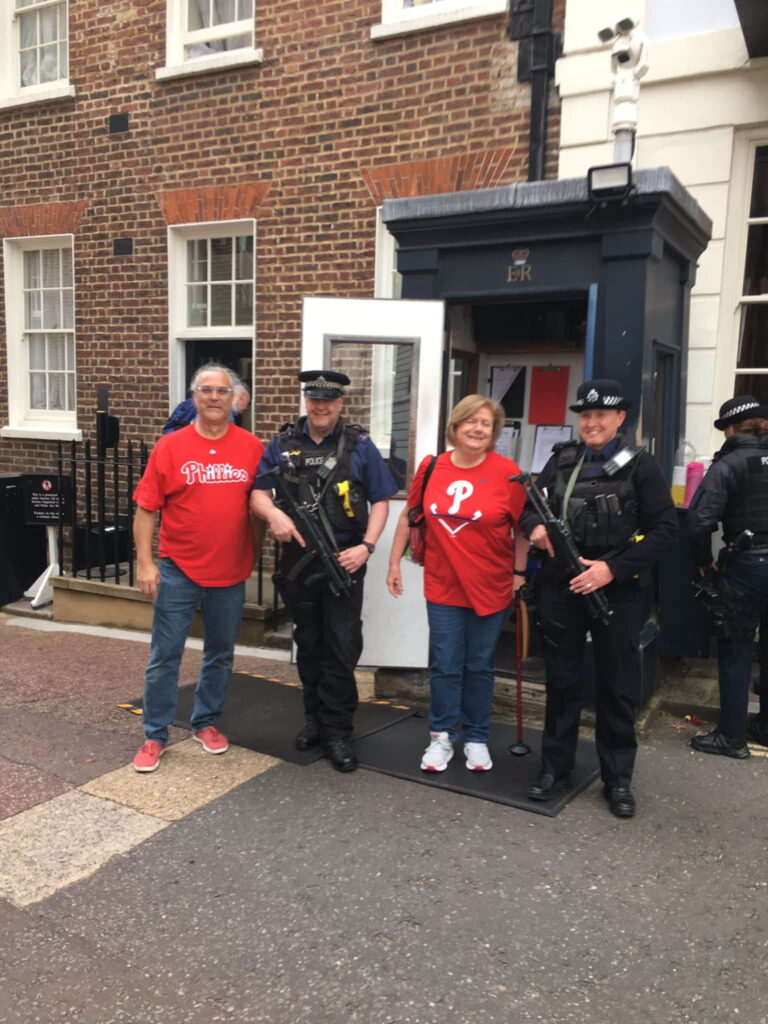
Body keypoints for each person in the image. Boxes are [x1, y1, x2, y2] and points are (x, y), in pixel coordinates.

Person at [520, 379, 677, 817]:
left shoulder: (640, 466)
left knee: (617, 685)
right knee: (562, 680)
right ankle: (555, 769)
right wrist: (534, 526)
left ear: (619, 419)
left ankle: (618, 779)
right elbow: (529, 508)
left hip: (617, 591)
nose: (591, 423)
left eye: (600, 415)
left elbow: (665, 529)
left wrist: (613, 569)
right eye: (585, 415)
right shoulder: (562, 459)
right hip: (562, 586)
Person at [250, 370, 398, 773]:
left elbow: (381, 500)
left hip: (345, 561)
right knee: (309, 642)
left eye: (328, 401)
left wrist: (366, 547)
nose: (320, 407)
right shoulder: (283, 444)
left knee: (342, 645)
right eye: (314, 399)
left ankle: (337, 731)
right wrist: (274, 515)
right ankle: (314, 720)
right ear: (306, 401)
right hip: (298, 562)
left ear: (340, 404)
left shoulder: (359, 446)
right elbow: (258, 492)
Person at [386, 395, 529, 773]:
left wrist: (519, 574)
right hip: (443, 584)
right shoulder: (432, 466)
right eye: (471, 421)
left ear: (494, 432)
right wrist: (394, 563)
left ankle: (477, 737)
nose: (478, 429)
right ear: (456, 425)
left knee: (479, 665)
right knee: (446, 664)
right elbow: (409, 515)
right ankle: (441, 736)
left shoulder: (507, 472)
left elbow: (523, 529)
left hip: (491, 584)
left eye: (486, 424)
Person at [132, 363, 263, 772]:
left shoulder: (251, 447)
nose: (214, 397)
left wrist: (255, 555)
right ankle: (155, 734)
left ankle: (205, 722)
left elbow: (258, 507)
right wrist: (145, 563)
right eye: (206, 390)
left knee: (220, 654)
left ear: (234, 399)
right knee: (165, 656)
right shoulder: (170, 446)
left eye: (221, 391)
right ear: (194, 397)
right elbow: (146, 509)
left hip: (230, 572)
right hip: (178, 569)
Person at [688, 395, 768, 757]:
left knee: (735, 648)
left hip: (747, 566)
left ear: (732, 429)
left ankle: (732, 737)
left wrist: (704, 561)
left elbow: (699, 522)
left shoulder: (728, 464)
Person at [162, 381, 250, 434]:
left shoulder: (192, 403)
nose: (245, 408)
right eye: (247, 402)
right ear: (241, 398)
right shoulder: (225, 412)